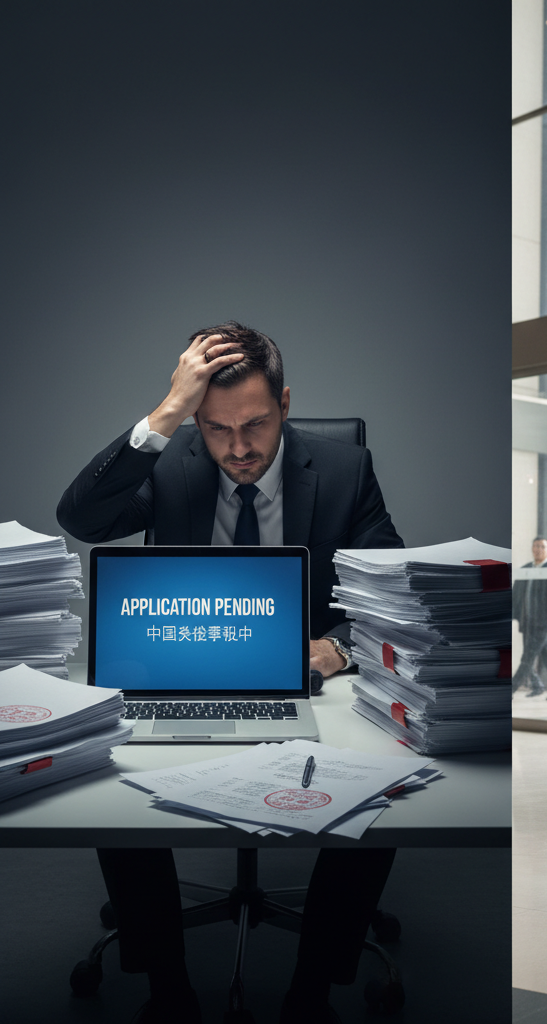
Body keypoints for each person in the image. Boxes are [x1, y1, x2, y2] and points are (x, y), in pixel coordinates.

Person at [57, 322, 403, 1024]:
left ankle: (314, 988)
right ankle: (167, 987)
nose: (238, 449)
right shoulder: (169, 456)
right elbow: (82, 519)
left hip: (310, 689)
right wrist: (163, 418)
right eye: (216, 429)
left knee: (387, 782)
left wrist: (337, 648)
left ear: (285, 401)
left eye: (256, 424)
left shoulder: (344, 470)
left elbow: (389, 595)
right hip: (182, 672)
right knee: (104, 769)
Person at [511, 537, 547, 697]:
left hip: (544, 622)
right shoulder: (526, 569)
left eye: (542, 546)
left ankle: (511, 689)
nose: (538, 549)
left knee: (527, 657)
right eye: (535, 546)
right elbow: (516, 595)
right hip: (527, 621)